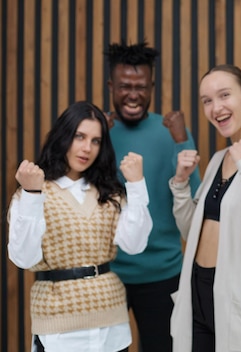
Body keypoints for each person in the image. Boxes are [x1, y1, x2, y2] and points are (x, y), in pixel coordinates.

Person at [7, 101, 152, 352]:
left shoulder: (110, 193)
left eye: (95, 141)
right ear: (63, 137)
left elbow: (135, 245)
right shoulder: (36, 190)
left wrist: (137, 185)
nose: (87, 148)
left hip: (111, 324)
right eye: (79, 136)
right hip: (58, 328)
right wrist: (31, 193)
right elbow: (23, 258)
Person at [169, 64, 241, 352]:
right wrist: (181, 183)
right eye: (207, 100)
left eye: (224, 95)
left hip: (237, 302)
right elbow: (191, 232)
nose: (215, 107)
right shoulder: (218, 159)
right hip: (198, 293)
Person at [104, 41, 201, 351]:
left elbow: (194, 197)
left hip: (163, 273)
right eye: (124, 86)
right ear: (111, 86)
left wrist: (182, 141)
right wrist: (98, 138)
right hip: (107, 275)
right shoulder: (95, 134)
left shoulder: (170, 133)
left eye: (141, 86)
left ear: (152, 87)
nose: (133, 94)